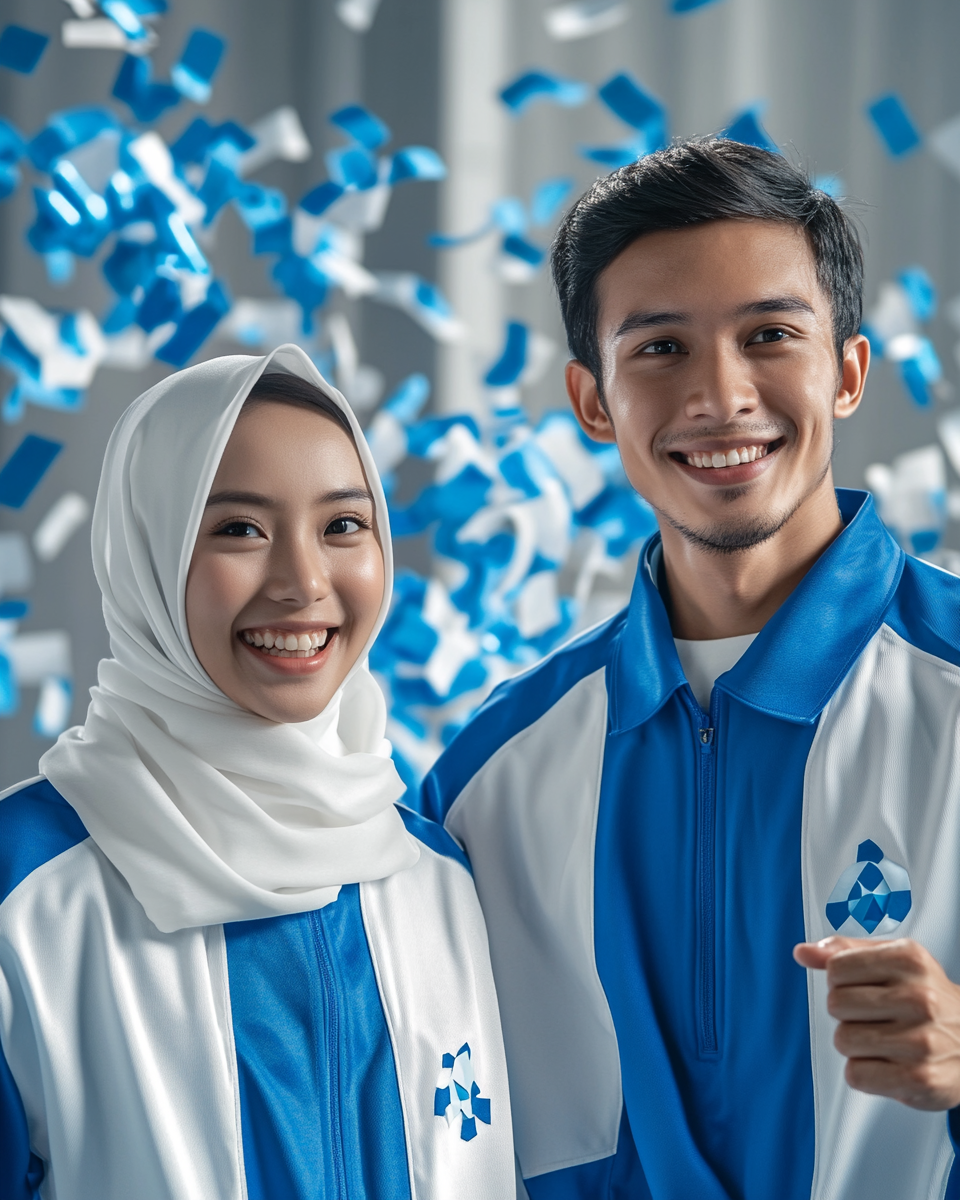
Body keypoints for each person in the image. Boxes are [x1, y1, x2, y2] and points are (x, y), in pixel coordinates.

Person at [419, 139, 960, 1200]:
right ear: (592, 401)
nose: (720, 395)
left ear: (847, 373)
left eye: (769, 336)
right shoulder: (488, 781)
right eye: (660, 349)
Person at [0, 344, 516, 1199]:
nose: (303, 581)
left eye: (343, 526)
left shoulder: (435, 875)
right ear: (149, 556)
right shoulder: (29, 888)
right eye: (239, 528)